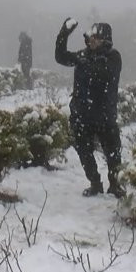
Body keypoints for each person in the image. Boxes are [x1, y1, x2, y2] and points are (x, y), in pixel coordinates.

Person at [55, 19, 123, 197]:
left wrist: (84, 61)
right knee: (84, 152)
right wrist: (64, 34)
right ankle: (95, 183)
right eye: (91, 37)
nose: (91, 40)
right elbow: (60, 57)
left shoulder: (113, 57)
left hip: (105, 115)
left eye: (96, 38)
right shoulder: (83, 55)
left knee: (113, 153)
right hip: (82, 114)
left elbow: (102, 73)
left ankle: (115, 184)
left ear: (105, 40)